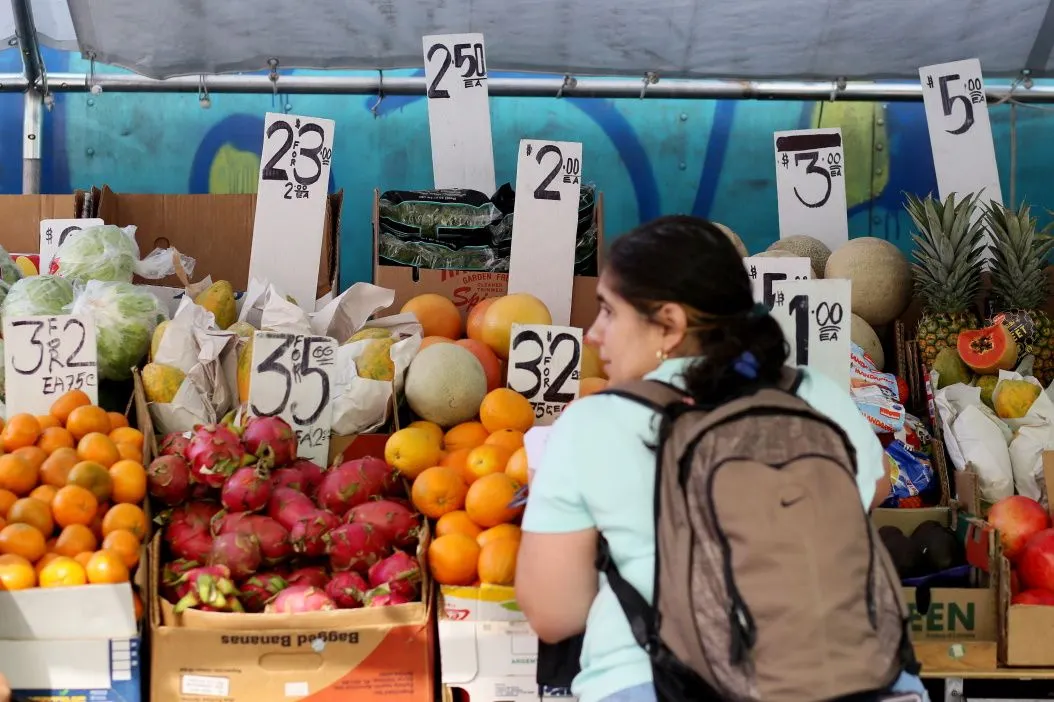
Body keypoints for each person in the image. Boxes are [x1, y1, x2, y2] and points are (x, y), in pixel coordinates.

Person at [515, 215, 927, 702]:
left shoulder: (592, 424)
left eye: (608, 312)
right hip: (855, 680)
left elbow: (554, 613)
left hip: (657, 682)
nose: (593, 334)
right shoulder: (811, 392)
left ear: (668, 324)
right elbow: (878, 483)